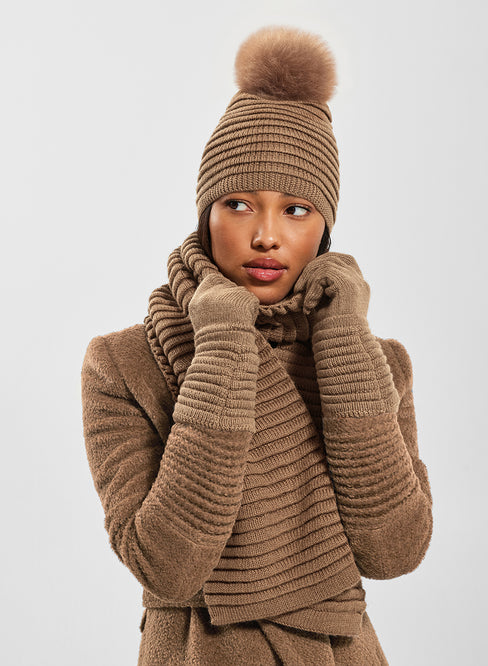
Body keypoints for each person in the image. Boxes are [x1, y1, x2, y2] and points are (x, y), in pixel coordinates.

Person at [81, 25, 433, 666]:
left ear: (325, 226)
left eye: (296, 209)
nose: (266, 234)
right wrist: (219, 347)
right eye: (239, 203)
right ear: (205, 215)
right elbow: (167, 566)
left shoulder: (376, 361)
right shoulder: (123, 364)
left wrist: (346, 343)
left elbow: (394, 550)